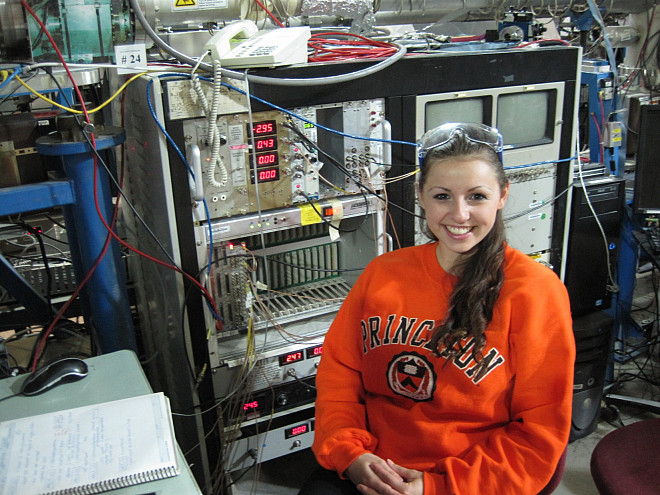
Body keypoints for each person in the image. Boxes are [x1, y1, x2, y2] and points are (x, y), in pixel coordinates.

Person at [299, 123, 575, 495]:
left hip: (472, 480)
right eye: (442, 196)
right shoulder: (383, 274)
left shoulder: (536, 293)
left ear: (503, 195)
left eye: (477, 196)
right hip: (375, 466)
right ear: (420, 196)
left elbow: (539, 431)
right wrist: (350, 454)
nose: (459, 214)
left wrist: (435, 487)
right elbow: (340, 380)